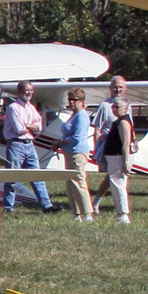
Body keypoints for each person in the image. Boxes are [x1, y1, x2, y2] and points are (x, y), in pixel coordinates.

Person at [0, 81, 57, 214]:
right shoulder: (13, 107)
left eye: (31, 90)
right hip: (16, 144)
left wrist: (29, 126)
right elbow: (19, 129)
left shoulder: (31, 108)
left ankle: (47, 206)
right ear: (20, 91)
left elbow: (40, 127)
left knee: (37, 175)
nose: (29, 93)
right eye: (26, 90)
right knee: (11, 177)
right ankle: (8, 207)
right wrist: (32, 127)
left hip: (29, 144)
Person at [90, 75, 128, 211]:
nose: (118, 89)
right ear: (110, 88)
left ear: (125, 88)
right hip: (110, 147)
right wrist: (97, 149)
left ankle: (96, 203)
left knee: (113, 177)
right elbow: (97, 129)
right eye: (115, 87)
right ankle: (121, 210)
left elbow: (129, 126)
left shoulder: (126, 104)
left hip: (123, 146)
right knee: (115, 177)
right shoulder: (105, 106)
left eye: (120, 87)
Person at [98, 90, 136, 224]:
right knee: (116, 185)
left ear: (125, 109)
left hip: (118, 157)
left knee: (118, 185)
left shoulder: (124, 122)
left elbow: (126, 144)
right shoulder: (119, 121)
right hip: (114, 157)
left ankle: (123, 214)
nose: (114, 109)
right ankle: (121, 213)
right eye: (113, 107)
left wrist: (126, 162)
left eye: (117, 107)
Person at [60, 89, 95, 222]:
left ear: (81, 101)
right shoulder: (74, 115)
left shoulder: (81, 116)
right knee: (70, 183)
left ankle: (87, 213)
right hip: (69, 151)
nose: (72, 102)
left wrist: (61, 142)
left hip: (77, 152)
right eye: (70, 100)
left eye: (75, 100)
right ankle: (76, 213)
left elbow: (77, 137)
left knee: (79, 181)